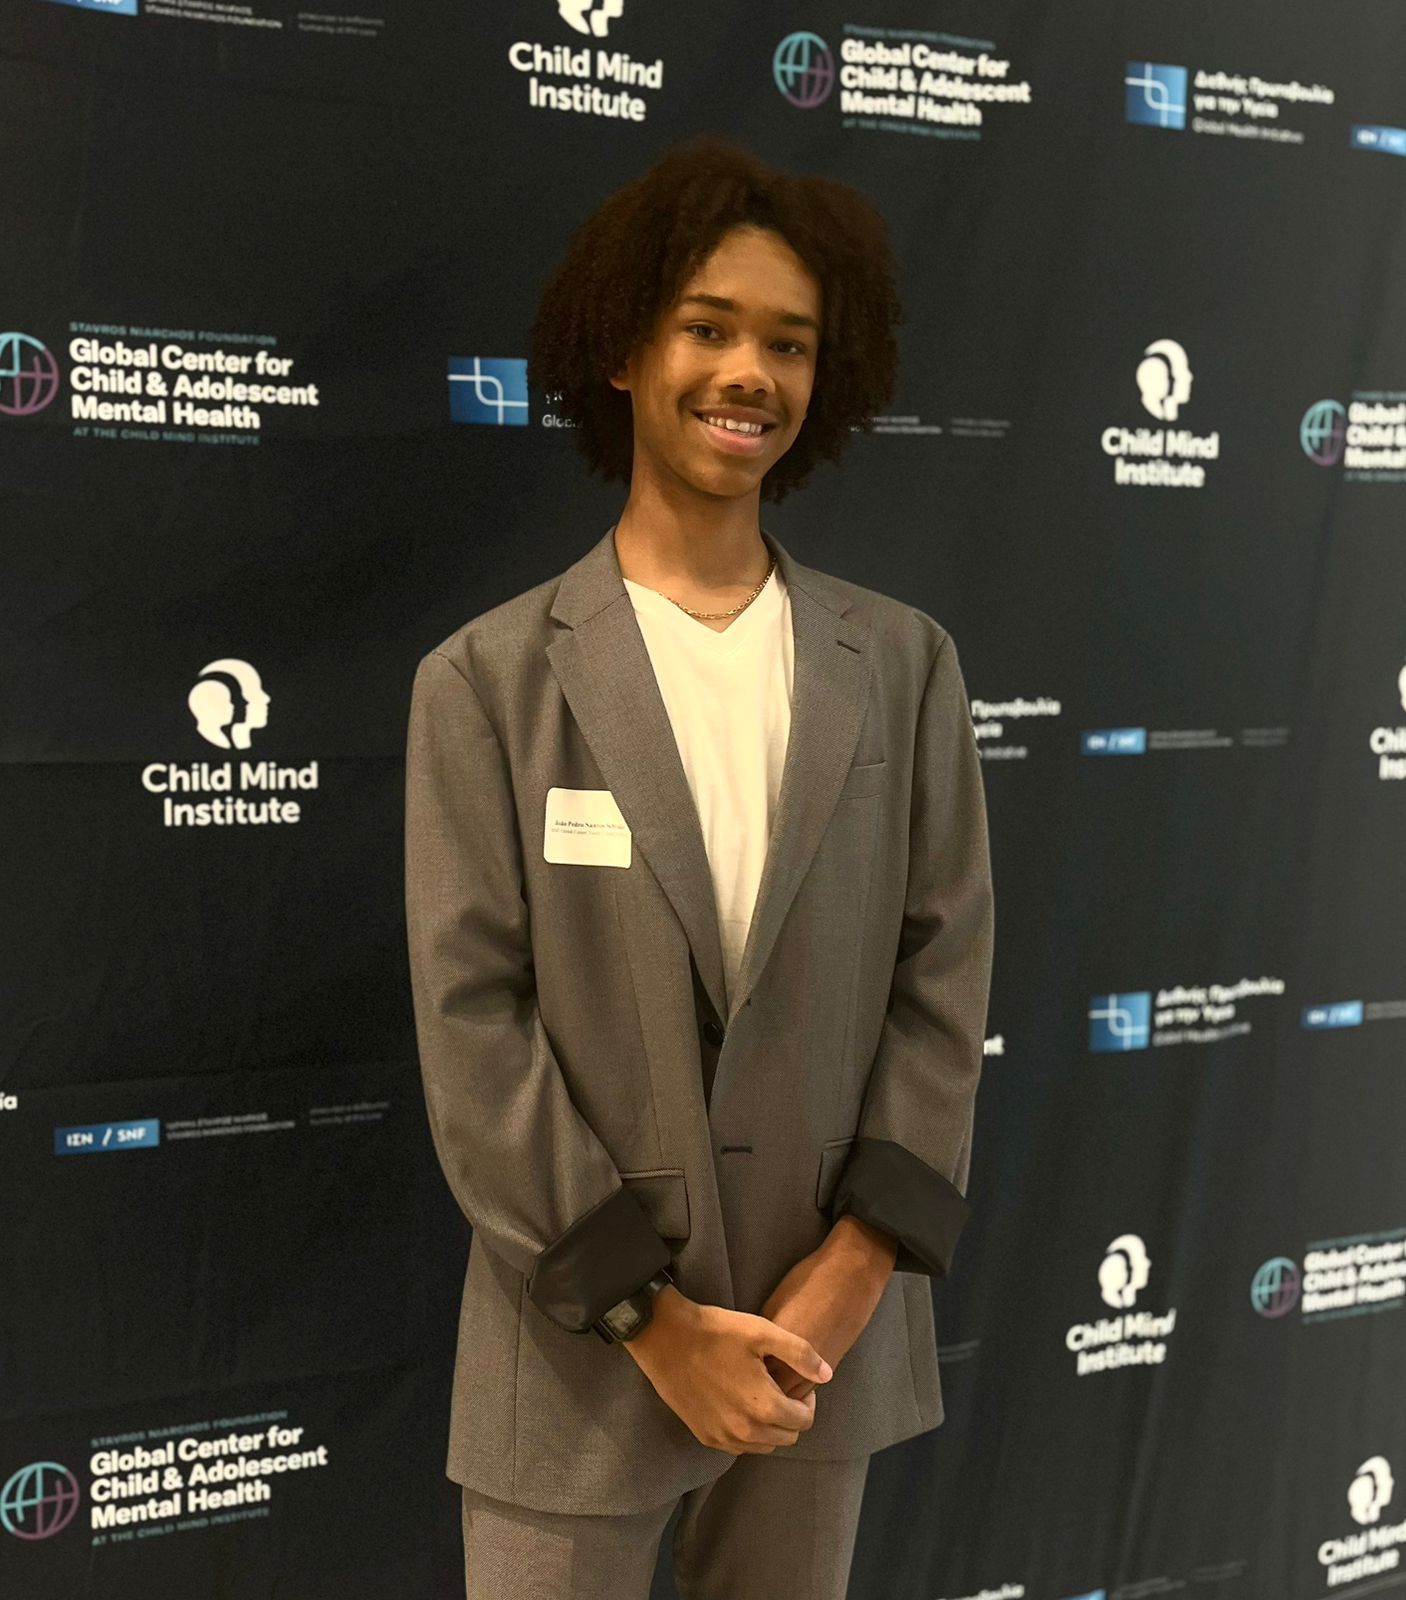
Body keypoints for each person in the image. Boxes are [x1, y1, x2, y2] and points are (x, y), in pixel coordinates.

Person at [403, 133, 994, 1600]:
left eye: (787, 344)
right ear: (621, 350)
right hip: (577, 1352)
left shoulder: (903, 665)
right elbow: (474, 1029)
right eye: (707, 328)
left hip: (817, 1344)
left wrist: (858, 1265)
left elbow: (942, 974)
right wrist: (648, 1318)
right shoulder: (485, 681)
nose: (749, 373)